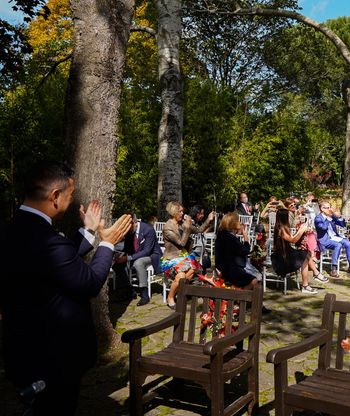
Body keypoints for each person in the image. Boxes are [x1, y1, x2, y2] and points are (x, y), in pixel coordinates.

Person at [0, 161, 132, 414]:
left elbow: (59, 261)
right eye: (70, 195)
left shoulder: (14, 229)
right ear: (55, 197)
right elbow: (90, 282)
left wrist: (90, 231)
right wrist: (108, 243)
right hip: (53, 357)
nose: (72, 201)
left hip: (22, 348)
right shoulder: (47, 240)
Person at [272, 208, 328, 293]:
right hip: (282, 258)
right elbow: (292, 240)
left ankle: (315, 274)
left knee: (307, 253)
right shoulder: (281, 229)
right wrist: (301, 230)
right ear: (284, 218)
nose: (289, 218)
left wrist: (303, 232)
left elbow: (294, 239)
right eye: (288, 216)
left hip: (288, 253)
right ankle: (307, 284)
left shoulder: (284, 227)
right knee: (304, 257)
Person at [117, 215, 163, 306]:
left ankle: (145, 295)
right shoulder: (129, 231)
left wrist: (128, 258)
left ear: (134, 223)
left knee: (138, 263)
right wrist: (119, 255)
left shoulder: (148, 229)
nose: (126, 230)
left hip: (152, 255)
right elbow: (127, 248)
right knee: (117, 264)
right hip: (136, 254)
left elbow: (147, 251)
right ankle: (129, 291)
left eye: (127, 227)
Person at [162, 201, 200, 309]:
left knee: (193, 269)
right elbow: (181, 243)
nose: (183, 213)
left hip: (182, 257)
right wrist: (187, 228)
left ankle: (179, 293)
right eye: (180, 211)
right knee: (182, 276)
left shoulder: (180, 223)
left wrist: (209, 220)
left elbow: (198, 231)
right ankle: (170, 298)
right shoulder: (168, 227)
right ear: (174, 212)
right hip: (170, 259)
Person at [315, 201, 350, 277]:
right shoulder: (318, 218)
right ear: (322, 209)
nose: (329, 209)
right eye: (327, 208)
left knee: (348, 243)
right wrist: (328, 218)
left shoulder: (331, 216)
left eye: (329, 207)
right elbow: (323, 228)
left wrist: (338, 216)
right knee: (338, 245)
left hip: (335, 237)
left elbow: (342, 224)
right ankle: (333, 269)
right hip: (325, 240)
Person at [214, 212, 258, 288]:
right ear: (233, 224)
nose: (240, 223)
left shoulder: (221, 235)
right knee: (254, 281)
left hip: (221, 267)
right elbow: (245, 251)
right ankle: (239, 297)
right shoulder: (231, 238)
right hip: (229, 270)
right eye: (238, 221)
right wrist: (245, 236)